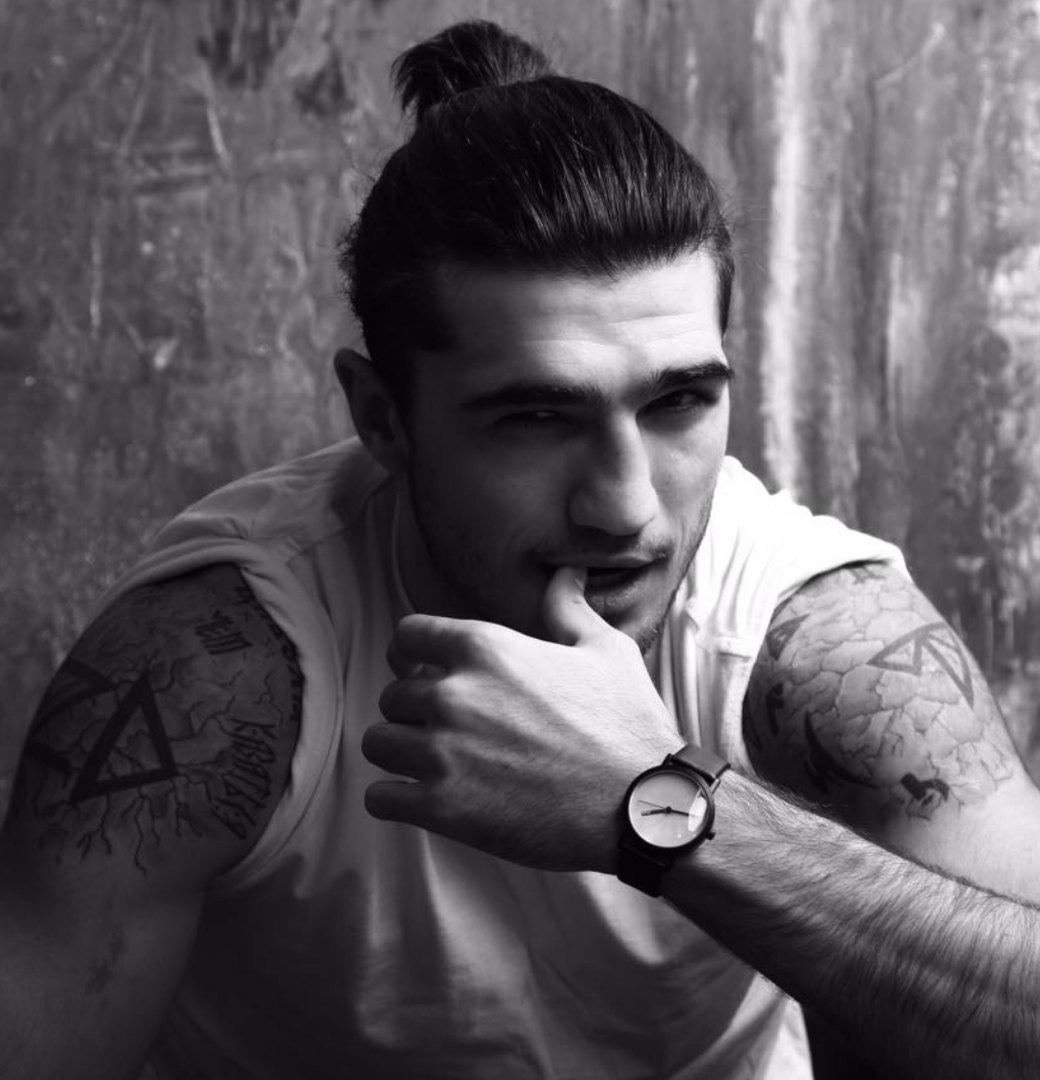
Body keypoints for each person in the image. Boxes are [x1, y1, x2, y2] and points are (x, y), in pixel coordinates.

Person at [2, 18, 1039, 1080]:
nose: (625, 508)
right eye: (537, 418)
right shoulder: (217, 676)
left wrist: (658, 806)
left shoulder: (809, 641)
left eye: (677, 402)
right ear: (382, 417)